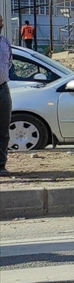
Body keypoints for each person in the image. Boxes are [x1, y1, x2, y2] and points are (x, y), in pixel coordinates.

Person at [0, 17, 12, 176]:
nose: (2, 24)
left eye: (1, 21)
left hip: (3, 88)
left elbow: (9, 62)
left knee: (3, 129)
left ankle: (1, 165)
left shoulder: (4, 41)